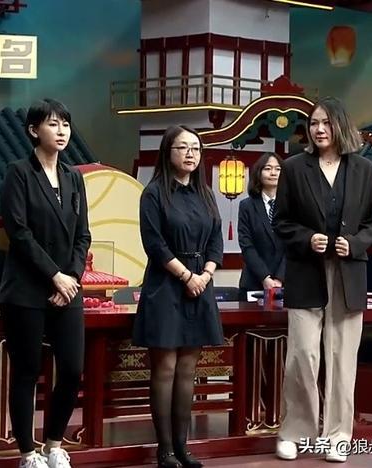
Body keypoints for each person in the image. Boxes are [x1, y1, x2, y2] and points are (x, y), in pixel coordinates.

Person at [273, 97, 372, 463]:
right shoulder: (293, 168)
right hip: (306, 270)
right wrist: (307, 238)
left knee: (341, 358)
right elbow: (281, 222)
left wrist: (355, 243)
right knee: (302, 354)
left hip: (349, 273)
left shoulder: (365, 169)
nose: (319, 130)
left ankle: (337, 436)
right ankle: (296, 433)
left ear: (340, 126)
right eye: (314, 123)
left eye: (326, 123)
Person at [0, 99, 91, 468]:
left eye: (65, 124)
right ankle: (27, 453)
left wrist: (72, 278)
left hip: (68, 289)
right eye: (53, 124)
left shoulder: (74, 177)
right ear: (34, 130)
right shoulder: (18, 172)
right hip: (26, 289)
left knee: (72, 369)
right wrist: (55, 276)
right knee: (26, 370)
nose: (61, 131)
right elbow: (18, 232)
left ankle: (54, 444)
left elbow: (83, 235)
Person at [133, 125, 224, 468]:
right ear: (167, 152)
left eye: (196, 148)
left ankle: (184, 447)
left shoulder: (205, 194)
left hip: (200, 283)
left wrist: (206, 275)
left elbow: (216, 240)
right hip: (166, 284)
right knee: (166, 367)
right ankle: (165, 449)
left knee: (188, 368)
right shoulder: (154, 193)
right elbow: (154, 244)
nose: (190, 154)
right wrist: (186, 276)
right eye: (183, 147)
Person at [237, 152, 285, 300]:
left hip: (285, 281)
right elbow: (246, 245)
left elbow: (293, 245)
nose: (273, 173)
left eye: (278, 169)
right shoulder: (246, 206)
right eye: (268, 168)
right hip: (253, 280)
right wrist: (265, 277)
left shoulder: (291, 205)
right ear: (259, 172)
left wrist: (279, 278)